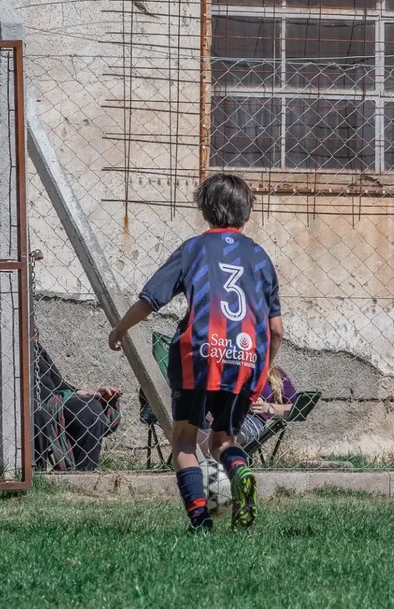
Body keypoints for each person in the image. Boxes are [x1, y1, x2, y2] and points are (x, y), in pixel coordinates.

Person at [109, 173, 283, 533]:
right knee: (224, 440)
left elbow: (150, 299)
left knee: (186, 440)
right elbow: (276, 328)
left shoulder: (194, 249)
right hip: (246, 357)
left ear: (204, 210)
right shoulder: (261, 258)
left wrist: (121, 328)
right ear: (247, 212)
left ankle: (200, 522)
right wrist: (262, 369)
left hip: (199, 355)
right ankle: (241, 470)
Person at [0, 283, 120, 471]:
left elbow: (58, 384)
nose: (0, 311)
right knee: (34, 413)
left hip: (51, 402)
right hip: (4, 406)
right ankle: (34, 477)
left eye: (6, 305)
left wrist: (84, 393)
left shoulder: (31, 345)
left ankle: (81, 477)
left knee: (89, 408)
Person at [239, 364, 296, 446]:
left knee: (231, 431)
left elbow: (296, 408)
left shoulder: (274, 371)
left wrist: (267, 408)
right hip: (223, 412)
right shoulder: (226, 360)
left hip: (251, 420)